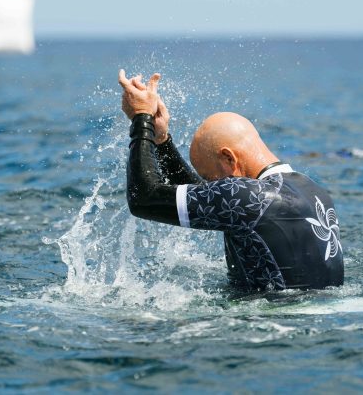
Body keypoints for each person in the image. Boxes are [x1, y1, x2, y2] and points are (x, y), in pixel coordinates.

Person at [117, 69, 344, 292]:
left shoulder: (248, 197)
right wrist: (161, 141)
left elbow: (144, 198)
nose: (213, 187)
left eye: (211, 178)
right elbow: (210, 195)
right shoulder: (314, 191)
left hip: (268, 323)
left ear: (228, 158)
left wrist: (141, 119)